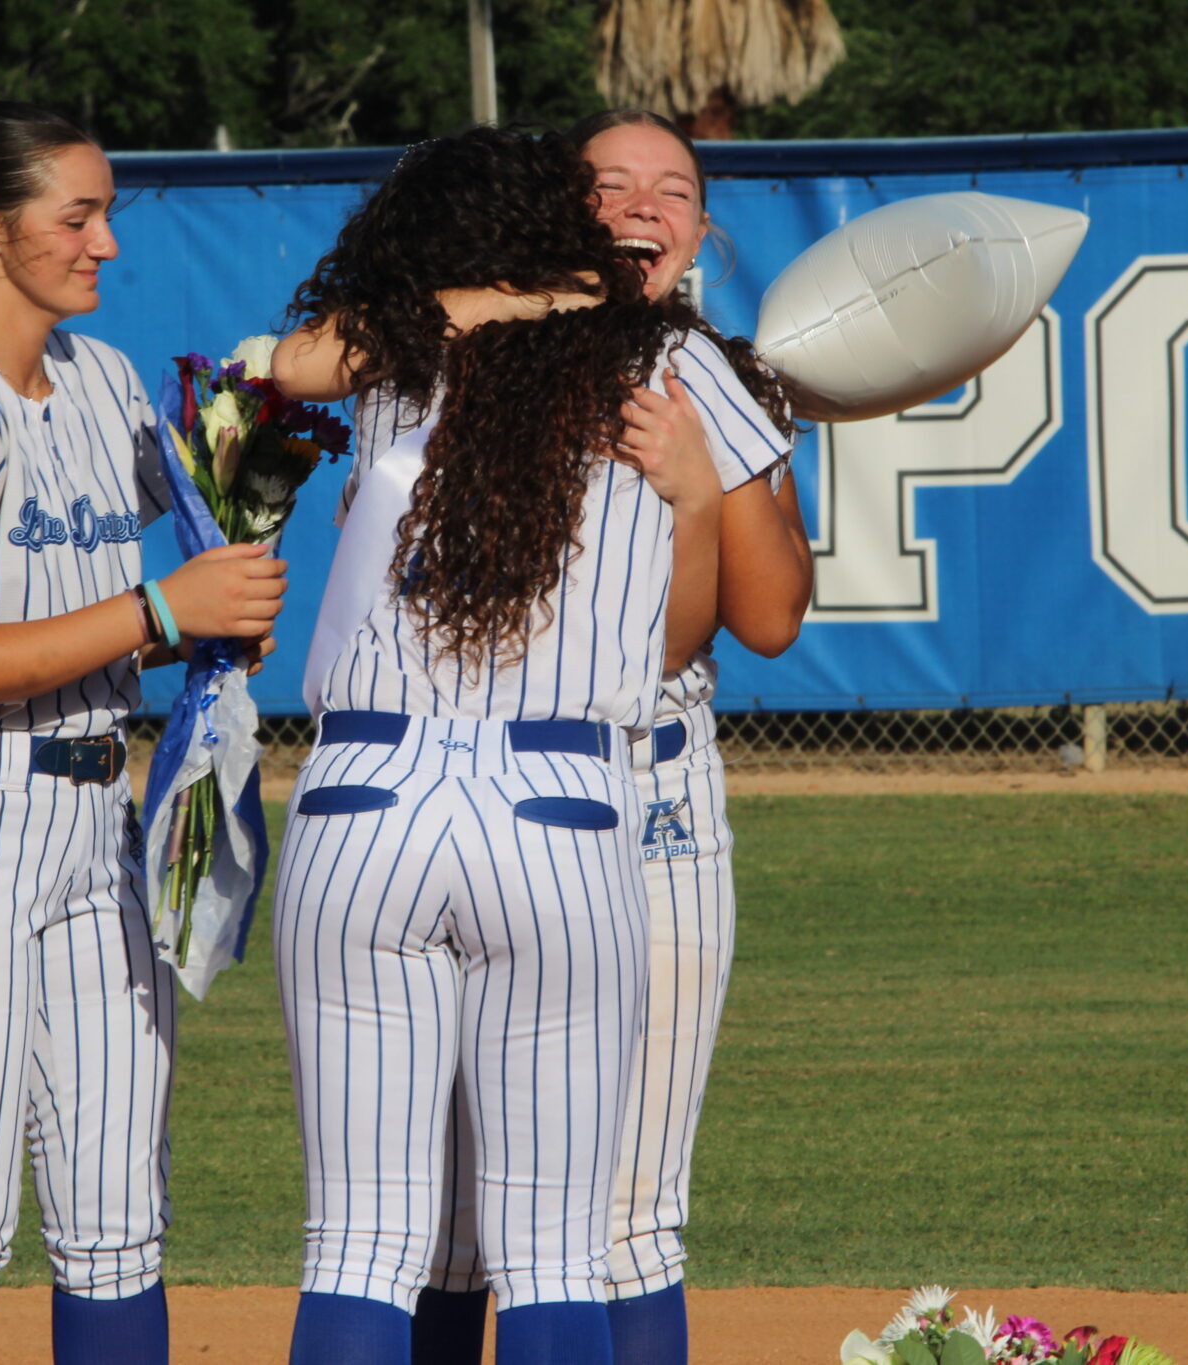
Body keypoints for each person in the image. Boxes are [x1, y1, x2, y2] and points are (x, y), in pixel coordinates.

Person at [0, 101, 287, 1365]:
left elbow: (220, 469)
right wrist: (158, 610)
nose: (107, 243)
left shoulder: (103, 381)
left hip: (94, 821)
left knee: (118, 1225)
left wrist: (221, 595)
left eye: (108, 211)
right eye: (76, 216)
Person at [269, 125, 718, 1365]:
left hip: (364, 794)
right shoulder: (659, 356)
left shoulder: (400, 345)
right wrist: (691, 498)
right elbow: (678, 644)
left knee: (359, 1242)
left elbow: (286, 360)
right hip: (559, 806)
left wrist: (491, 289)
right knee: (553, 1254)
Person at [406, 110, 814, 1365]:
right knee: (455, 1215)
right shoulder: (477, 350)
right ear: (559, 210)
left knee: (630, 1206)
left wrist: (705, 475)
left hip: (652, 802)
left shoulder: (723, 382)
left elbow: (770, 618)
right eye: (611, 184)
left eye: (673, 189)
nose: (644, 205)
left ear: (702, 229)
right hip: (489, 787)